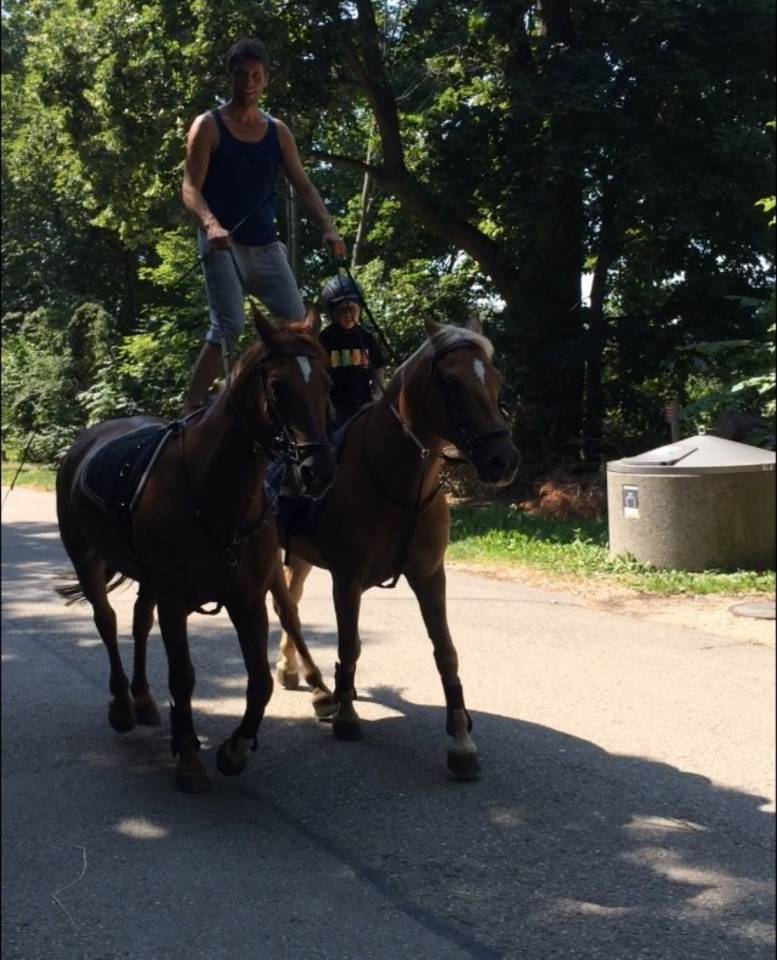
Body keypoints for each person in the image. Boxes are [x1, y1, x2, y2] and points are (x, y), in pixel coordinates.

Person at [181, 37, 347, 412]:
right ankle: (191, 405)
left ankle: (289, 400)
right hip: (223, 243)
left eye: (256, 75)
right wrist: (210, 225)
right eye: (241, 75)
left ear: (265, 79)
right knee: (230, 326)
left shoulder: (277, 131)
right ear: (230, 77)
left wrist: (329, 227)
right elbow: (190, 187)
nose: (249, 83)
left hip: (267, 246)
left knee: (297, 327)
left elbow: (303, 185)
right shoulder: (208, 126)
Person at [318, 275, 386, 429]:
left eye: (352, 310)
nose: (348, 315)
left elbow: (379, 369)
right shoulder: (324, 340)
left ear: (360, 309)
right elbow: (318, 376)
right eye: (343, 311)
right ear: (331, 313)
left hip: (364, 405)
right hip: (334, 409)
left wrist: (377, 399)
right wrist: (327, 406)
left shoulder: (366, 338)